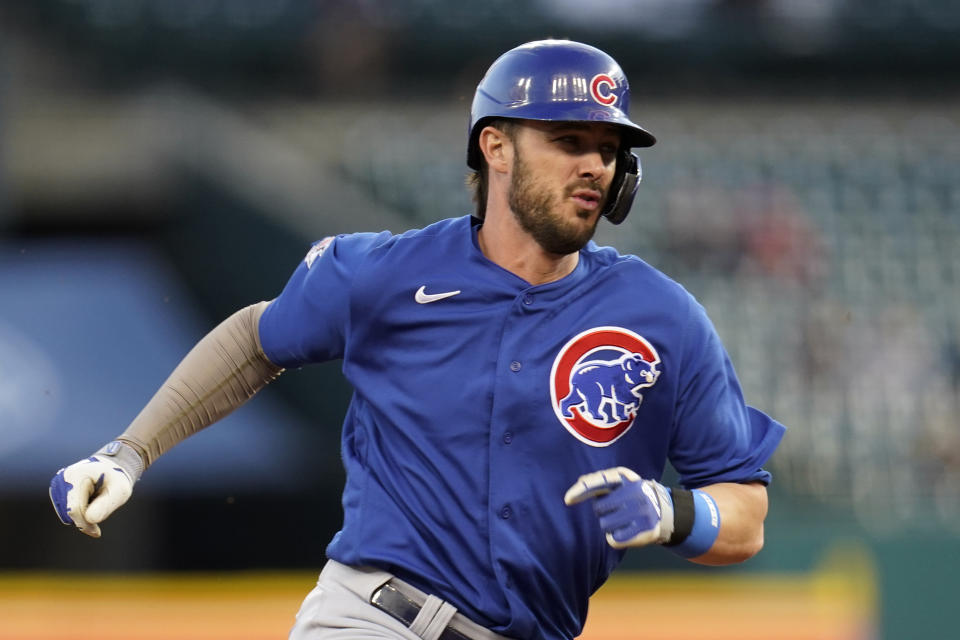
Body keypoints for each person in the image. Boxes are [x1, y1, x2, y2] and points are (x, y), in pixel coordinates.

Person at [49, 39, 785, 640]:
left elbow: (743, 510)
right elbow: (256, 338)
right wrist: (129, 451)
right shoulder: (386, 274)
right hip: (375, 618)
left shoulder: (663, 318)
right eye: (568, 140)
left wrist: (675, 513)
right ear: (496, 147)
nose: (595, 163)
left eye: (609, 147)